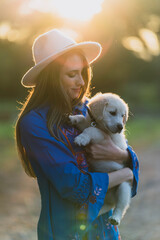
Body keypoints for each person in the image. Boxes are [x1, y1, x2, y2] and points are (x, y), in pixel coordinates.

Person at [15, 29, 139, 240]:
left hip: (106, 231)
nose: (81, 82)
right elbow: (74, 187)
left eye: (83, 73)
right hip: (66, 232)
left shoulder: (86, 110)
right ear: (50, 78)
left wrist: (123, 158)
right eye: (72, 74)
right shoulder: (34, 124)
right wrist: (125, 174)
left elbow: (127, 157)